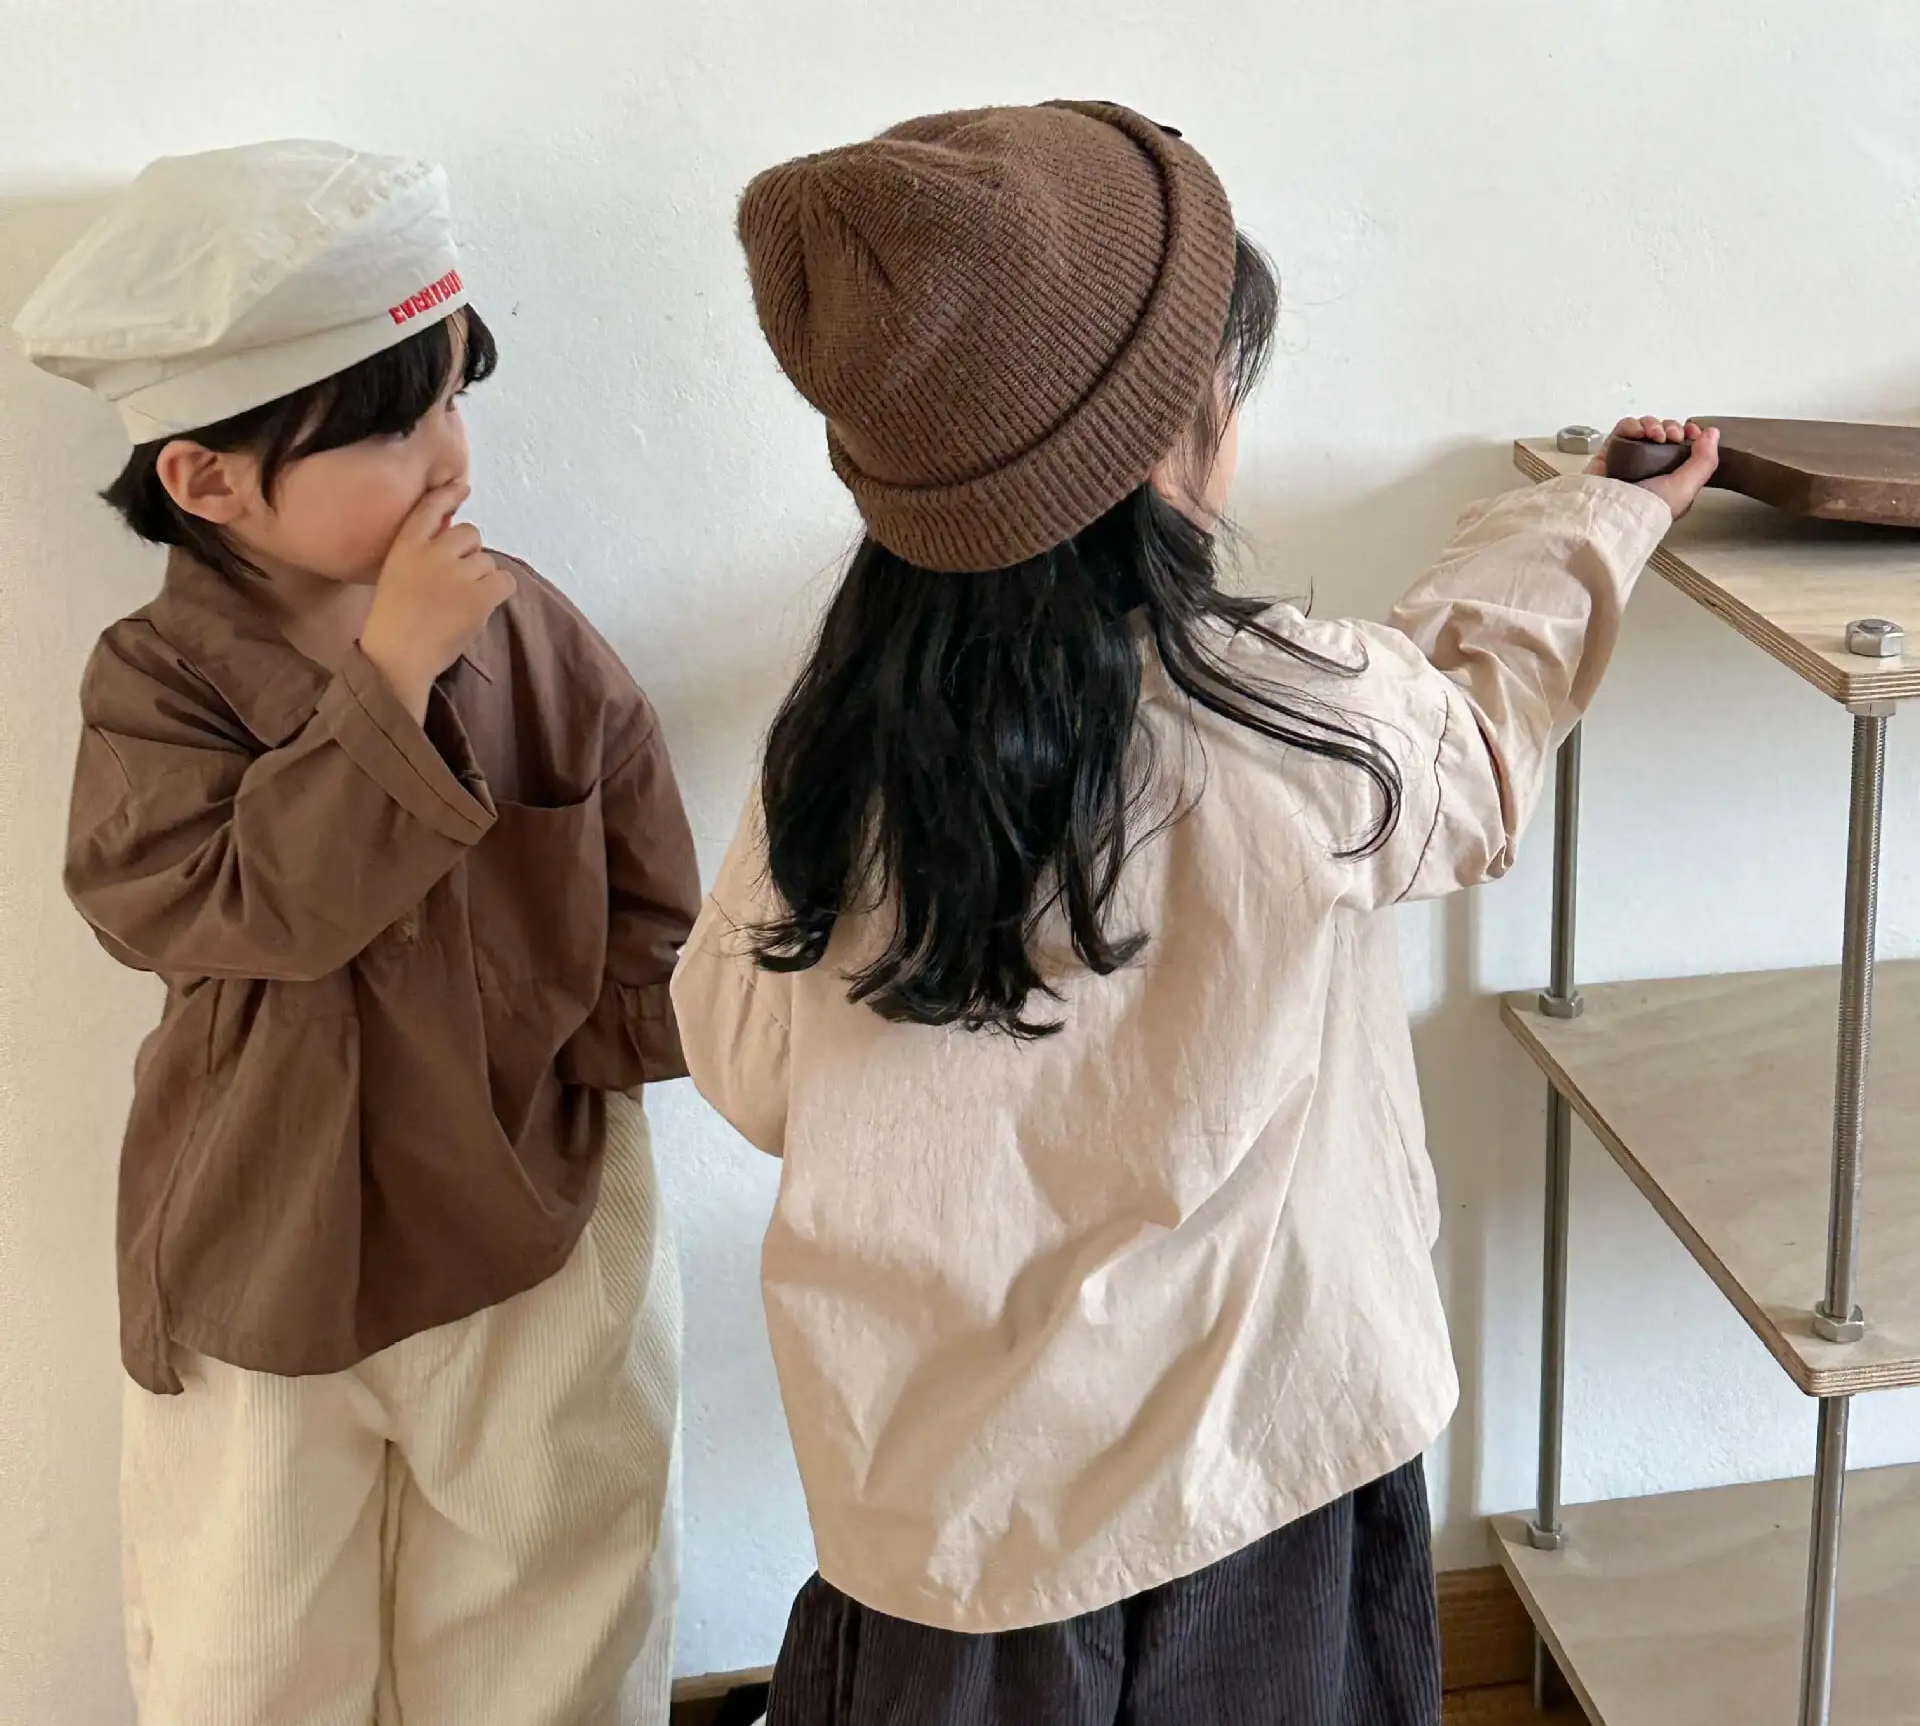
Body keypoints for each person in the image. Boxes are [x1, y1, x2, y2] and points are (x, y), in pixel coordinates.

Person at [669, 100, 1718, 1724]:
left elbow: (744, 1068)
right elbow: (1469, 740)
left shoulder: (830, 766)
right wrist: (1595, 514)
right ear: (1182, 434)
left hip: (950, 1541)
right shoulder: (1301, 718)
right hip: (1265, 1492)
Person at [14, 140, 700, 1726]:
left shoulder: (523, 623)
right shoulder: (155, 685)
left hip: (529, 1213)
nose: (450, 455)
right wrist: (387, 681)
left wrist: (607, 1071)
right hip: (270, 1238)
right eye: (395, 426)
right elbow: (214, 906)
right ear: (206, 480)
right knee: (249, 1650)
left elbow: (638, 857)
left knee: (560, 1616)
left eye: (456, 395)